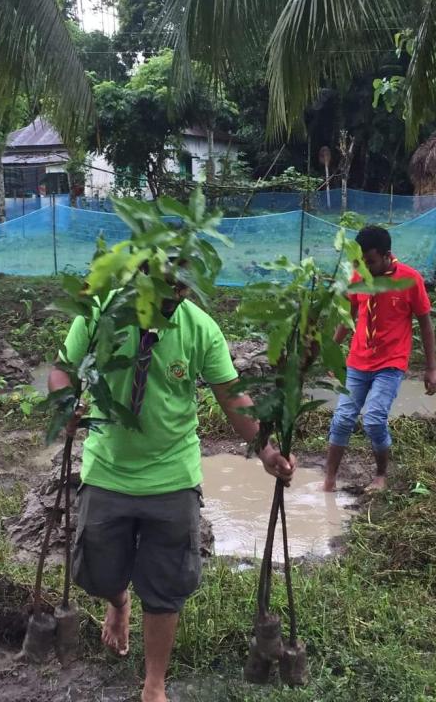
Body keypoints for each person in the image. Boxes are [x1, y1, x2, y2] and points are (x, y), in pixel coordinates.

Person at [48, 275, 296, 702]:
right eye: (164, 290)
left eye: (181, 290)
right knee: (97, 573)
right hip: (108, 470)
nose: (173, 300)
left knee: (165, 588)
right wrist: (66, 403)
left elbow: (231, 397)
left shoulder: (199, 327)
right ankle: (118, 601)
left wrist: (266, 449)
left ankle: (154, 686)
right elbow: (62, 371)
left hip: (173, 476)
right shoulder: (99, 313)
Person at [323, 225, 436, 493]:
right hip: (357, 362)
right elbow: (347, 317)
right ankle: (329, 480)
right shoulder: (358, 278)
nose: (365, 267)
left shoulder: (410, 279)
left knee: (374, 419)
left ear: (387, 255)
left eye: (370, 261)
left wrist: (431, 369)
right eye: (360, 262)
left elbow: (425, 324)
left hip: (390, 363)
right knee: (341, 419)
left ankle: (381, 475)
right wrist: (333, 353)